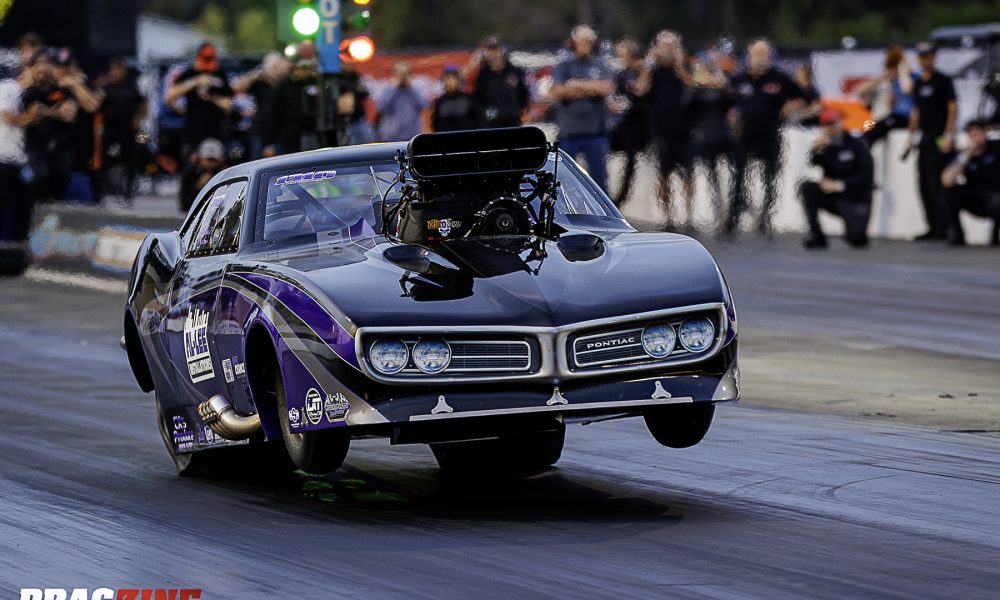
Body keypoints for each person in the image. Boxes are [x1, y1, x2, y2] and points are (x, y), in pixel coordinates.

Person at [726, 38, 805, 235]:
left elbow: (803, 96)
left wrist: (789, 107)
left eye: (765, 54)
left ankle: (765, 217)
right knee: (739, 175)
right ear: (749, 56)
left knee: (770, 175)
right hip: (745, 134)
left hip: (770, 133)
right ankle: (733, 216)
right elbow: (727, 102)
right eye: (758, 54)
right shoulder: (740, 79)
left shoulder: (778, 78)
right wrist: (732, 117)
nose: (762, 58)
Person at [549, 25, 615, 191]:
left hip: (595, 131)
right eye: (581, 41)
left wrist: (576, 85)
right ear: (574, 42)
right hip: (568, 132)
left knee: (599, 181)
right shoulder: (564, 65)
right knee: (563, 180)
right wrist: (590, 89)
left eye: (588, 41)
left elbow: (606, 87)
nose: (585, 45)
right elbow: (557, 91)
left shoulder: (600, 65)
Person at [905, 42, 958, 241]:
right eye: (921, 56)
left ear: (934, 57)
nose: (924, 60)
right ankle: (933, 226)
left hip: (939, 135)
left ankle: (945, 225)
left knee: (938, 182)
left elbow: (953, 108)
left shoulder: (943, 80)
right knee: (924, 183)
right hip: (925, 136)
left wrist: (948, 135)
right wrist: (911, 137)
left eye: (927, 56)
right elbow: (916, 112)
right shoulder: (918, 83)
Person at [640, 30, 693, 227]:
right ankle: (667, 215)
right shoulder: (652, 70)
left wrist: (679, 65)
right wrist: (649, 64)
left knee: (688, 173)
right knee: (663, 173)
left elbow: (692, 84)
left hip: (683, 127)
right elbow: (640, 89)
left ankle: (689, 215)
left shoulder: (684, 67)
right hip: (660, 128)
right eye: (664, 46)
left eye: (672, 47)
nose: (668, 51)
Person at [799, 108, 874, 249]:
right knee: (808, 188)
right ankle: (817, 234)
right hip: (834, 197)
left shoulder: (857, 144)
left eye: (834, 123)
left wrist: (839, 184)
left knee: (857, 240)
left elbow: (866, 177)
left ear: (840, 123)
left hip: (855, 196)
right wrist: (816, 151)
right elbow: (812, 164)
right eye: (827, 125)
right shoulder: (827, 146)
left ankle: (853, 227)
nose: (832, 128)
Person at [12, 53, 78, 201]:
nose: (43, 68)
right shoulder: (29, 92)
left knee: (61, 177)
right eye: (39, 65)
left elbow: (70, 114)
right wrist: (57, 111)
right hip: (35, 144)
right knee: (38, 176)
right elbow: (34, 113)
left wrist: (46, 111)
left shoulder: (63, 90)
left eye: (46, 64)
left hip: (60, 144)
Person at [51, 47, 105, 201]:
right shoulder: (58, 84)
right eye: (60, 66)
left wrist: (76, 83)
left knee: (86, 175)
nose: (63, 70)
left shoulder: (82, 80)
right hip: (63, 140)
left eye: (66, 66)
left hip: (86, 139)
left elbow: (96, 103)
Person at [165, 43, 233, 158]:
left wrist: (210, 96)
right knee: (191, 163)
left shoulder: (220, 74)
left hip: (215, 132)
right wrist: (194, 82)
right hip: (193, 132)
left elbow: (228, 105)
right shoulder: (189, 74)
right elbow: (169, 97)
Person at [687, 56, 734, 222]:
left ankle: (726, 210)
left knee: (726, 172)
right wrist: (696, 86)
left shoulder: (721, 89)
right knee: (710, 174)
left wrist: (721, 86)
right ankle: (715, 210)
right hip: (704, 135)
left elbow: (730, 102)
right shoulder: (696, 91)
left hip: (721, 134)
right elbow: (688, 107)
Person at [941, 119, 1000, 246]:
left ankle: (996, 235)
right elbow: (947, 180)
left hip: (995, 196)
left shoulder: (996, 149)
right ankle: (956, 234)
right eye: (972, 135)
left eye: (978, 134)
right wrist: (966, 157)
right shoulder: (963, 154)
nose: (976, 139)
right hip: (976, 197)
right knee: (950, 192)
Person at [607, 37, 649, 206]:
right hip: (621, 123)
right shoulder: (622, 73)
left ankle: (621, 197)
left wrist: (644, 69)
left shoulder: (642, 71)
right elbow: (614, 93)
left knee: (631, 161)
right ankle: (610, 194)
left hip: (638, 123)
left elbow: (640, 90)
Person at [98, 59, 147, 200]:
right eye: (115, 69)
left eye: (120, 70)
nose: (117, 73)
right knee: (105, 159)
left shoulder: (132, 88)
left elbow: (144, 105)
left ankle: (130, 190)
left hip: (129, 130)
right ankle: (102, 190)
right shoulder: (105, 88)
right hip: (110, 130)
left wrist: (138, 120)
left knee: (138, 151)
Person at [233, 52, 290, 159]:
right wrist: (255, 75)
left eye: (277, 66)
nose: (274, 69)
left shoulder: (285, 84)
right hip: (260, 130)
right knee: (257, 160)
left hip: (281, 132)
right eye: (271, 66)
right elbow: (237, 87)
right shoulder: (259, 83)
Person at [267, 48, 321, 154]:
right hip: (290, 136)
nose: (306, 71)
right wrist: (271, 140)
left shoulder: (315, 83)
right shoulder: (285, 85)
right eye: (303, 68)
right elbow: (275, 112)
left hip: (313, 132)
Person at [858, 46, 914, 147]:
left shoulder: (903, 81)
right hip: (874, 120)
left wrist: (902, 73)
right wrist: (881, 77)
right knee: (862, 132)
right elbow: (861, 90)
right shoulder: (881, 82)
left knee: (867, 135)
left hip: (889, 119)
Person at [470, 36, 529, 129]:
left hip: (512, 122)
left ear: (503, 51)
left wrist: (519, 111)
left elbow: (524, 95)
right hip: (490, 125)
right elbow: (477, 100)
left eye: (497, 50)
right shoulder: (483, 75)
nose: (494, 54)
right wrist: (486, 114)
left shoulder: (515, 72)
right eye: (490, 50)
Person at [0, 67, 29, 244]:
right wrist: (35, 116)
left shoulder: (30, 93)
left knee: (22, 208)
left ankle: (16, 248)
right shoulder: (9, 87)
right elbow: (8, 116)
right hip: (4, 158)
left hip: (20, 162)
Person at [376, 61, 425, 142]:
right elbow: (381, 108)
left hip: (411, 137)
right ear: (394, 74)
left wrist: (410, 88)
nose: (402, 77)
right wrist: (394, 88)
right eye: (400, 73)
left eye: (405, 74)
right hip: (391, 137)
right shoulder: (387, 89)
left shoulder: (415, 89)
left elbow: (423, 106)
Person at [180, 138, 226, 212]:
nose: (210, 164)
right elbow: (185, 204)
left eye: (214, 160)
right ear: (200, 158)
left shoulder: (224, 174)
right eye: (208, 159)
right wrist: (199, 186)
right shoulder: (191, 174)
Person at [431, 66, 477, 132]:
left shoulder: (468, 99)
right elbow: (435, 126)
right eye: (445, 79)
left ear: (458, 80)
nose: (447, 82)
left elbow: (476, 121)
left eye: (450, 78)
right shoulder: (440, 102)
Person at [790, 63, 823, 127]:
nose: (798, 76)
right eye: (798, 74)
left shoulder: (813, 92)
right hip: (796, 125)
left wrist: (805, 112)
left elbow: (817, 109)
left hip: (811, 125)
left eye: (801, 74)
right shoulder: (793, 91)